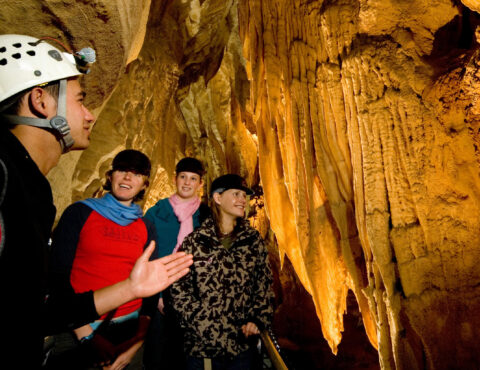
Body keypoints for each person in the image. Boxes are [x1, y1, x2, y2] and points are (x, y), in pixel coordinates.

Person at [0, 34, 192, 369]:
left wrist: (131, 288)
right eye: (80, 100)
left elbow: (34, 311)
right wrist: (87, 336)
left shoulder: (32, 189)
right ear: (41, 101)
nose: (90, 115)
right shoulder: (3, 176)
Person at [46, 149, 159, 369]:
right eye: (122, 170)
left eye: (137, 174)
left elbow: (150, 286)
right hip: (79, 328)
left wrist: (135, 344)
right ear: (110, 176)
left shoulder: (146, 226)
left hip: (129, 331)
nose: (128, 177)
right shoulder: (79, 213)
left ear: (144, 185)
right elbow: (56, 276)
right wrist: (87, 336)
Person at [169, 174, 275, 370]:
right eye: (236, 194)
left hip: (242, 348)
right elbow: (179, 290)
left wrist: (257, 319)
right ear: (218, 198)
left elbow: (264, 285)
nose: (243, 200)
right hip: (203, 351)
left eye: (244, 196)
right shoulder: (196, 242)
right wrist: (203, 326)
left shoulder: (252, 241)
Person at [143, 157, 210, 370]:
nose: (187, 183)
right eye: (183, 177)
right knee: (158, 355)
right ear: (175, 179)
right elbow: (146, 255)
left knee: (187, 357)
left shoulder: (207, 216)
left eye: (193, 179)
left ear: (200, 184)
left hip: (195, 297)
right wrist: (159, 296)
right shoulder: (157, 212)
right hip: (161, 294)